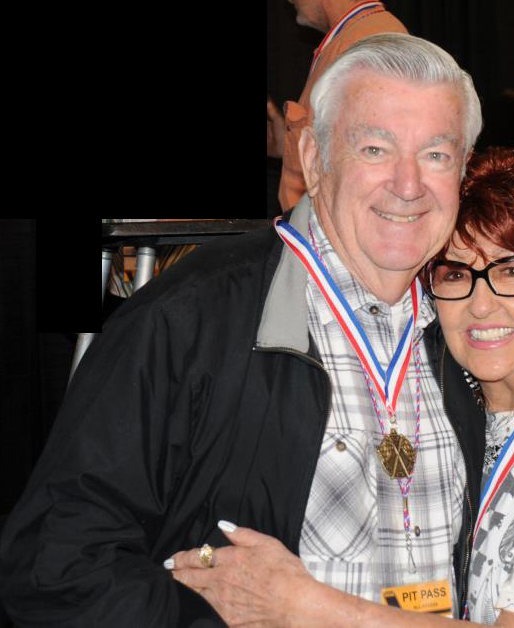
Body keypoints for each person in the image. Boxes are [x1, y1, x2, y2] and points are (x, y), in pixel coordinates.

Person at [0, 34, 485, 626]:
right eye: (375, 149)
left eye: (436, 155)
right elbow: (54, 567)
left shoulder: (470, 331)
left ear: (463, 170)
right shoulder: (188, 319)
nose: (408, 185)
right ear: (314, 158)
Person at [169, 148, 514, 627]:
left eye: (513, 271)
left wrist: (302, 607)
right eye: (455, 274)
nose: (480, 303)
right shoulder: (450, 425)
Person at [268, 0, 407, 212]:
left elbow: (374, 165)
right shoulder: (351, 39)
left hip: (333, 230)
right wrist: (287, 147)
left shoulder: (369, 43)